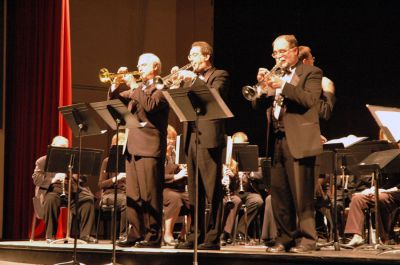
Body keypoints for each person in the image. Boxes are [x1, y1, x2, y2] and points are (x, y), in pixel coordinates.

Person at [253, 34, 323, 253]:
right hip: (276, 140)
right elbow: (256, 104)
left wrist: (282, 85)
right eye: (275, 52)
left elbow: (309, 101)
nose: (278, 56)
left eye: (282, 51)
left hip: (299, 140)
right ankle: (285, 237)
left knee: (301, 194)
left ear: (294, 51)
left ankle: (308, 239)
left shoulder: (311, 72)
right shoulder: (277, 76)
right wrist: (262, 88)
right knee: (279, 193)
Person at [110, 53, 170, 248]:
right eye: (138, 65)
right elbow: (117, 100)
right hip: (132, 147)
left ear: (155, 67)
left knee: (150, 194)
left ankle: (153, 237)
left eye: (143, 65)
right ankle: (135, 233)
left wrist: (134, 86)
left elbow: (151, 106)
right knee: (132, 195)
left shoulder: (160, 87)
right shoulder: (140, 89)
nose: (139, 68)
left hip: (150, 147)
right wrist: (114, 85)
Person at [175, 41, 230, 250]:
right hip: (191, 138)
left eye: (194, 55)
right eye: (189, 56)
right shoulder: (190, 79)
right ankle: (195, 234)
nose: (190, 60)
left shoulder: (219, 75)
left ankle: (214, 237)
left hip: (209, 137)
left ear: (206, 56)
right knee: (195, 190)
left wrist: (194, 80)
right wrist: (178, 86)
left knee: (212, 189)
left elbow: (213, 97)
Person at [32, 136, 97, 243]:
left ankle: (85, 235)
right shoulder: (43, 161)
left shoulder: (72, 161)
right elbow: (36, 178)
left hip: (71, 190)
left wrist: (74, 175)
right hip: (52, 189)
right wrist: (53, 178)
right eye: (60, 148)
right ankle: (50, 235)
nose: (63, 151)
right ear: (52, 147)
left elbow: (83, 178)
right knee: (50, 201)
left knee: (88, 200)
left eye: (65, 148)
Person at [220, 132, 263, 245]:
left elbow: (260, 175)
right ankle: (226, 233)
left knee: (257, 200)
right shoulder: (227, 160)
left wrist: (249, 174)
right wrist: (232, 176)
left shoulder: (251, 158)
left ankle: (240, 231)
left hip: (248, 192)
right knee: (235, 201)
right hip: (234, 192)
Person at [163, 125, 191, 246]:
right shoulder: (159, 156)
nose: (171, 141)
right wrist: (176, 175)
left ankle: (184, 234)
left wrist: (185, 169)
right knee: (175, 198)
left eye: (173, 139)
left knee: (195, 200)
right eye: (168, 138)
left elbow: (184, 177)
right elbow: (157, 176)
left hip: (178, 189)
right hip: (164, 189)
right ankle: (167, 234)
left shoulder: (177, 155)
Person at [98, 132, 127, 240]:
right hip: (110, 194)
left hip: (126, 192)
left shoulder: (129, 161)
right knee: (127, 201)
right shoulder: (107, 161)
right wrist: (117, 178)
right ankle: (124, 235)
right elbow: (101, 184)